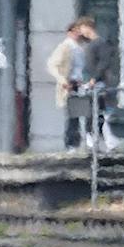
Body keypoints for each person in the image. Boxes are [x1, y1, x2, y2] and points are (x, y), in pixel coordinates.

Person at [44, 16, 98, 150]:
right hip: (72, 83)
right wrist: (62, 80)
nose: (78, 33)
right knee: (74, 114)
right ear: (70, 32)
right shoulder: (66, 46)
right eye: (75, 31)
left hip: (83, 82)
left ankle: (87, 140)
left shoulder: (82, 47)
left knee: (88, 112)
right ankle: (72, 144)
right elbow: (52, 64)